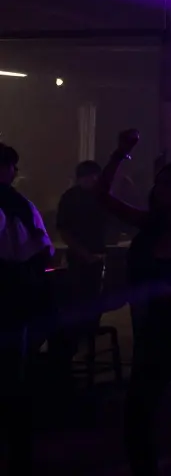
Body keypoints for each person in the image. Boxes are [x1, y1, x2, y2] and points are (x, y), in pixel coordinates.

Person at [98, 131, 171, 476]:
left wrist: (167, 292)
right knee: (139, 409)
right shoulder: (152, 223)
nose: (158, 189)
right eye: (159, 183)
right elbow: (103, 196)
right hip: (154, 329)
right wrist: (120, 154)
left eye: (167, 184)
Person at [0, 143, 54, 476]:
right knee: (12, 379)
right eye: (12, 166)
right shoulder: (20, 205)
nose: (16, 172)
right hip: (13, 297)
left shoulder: (19, 204)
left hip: (11, 296)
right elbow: (43, 251)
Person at [50, 160, 110, 382]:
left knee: (95, 301)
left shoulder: (102, 196)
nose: (93, 181)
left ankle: (86, 339)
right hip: (80, 260)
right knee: (79, 301)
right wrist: (85, 254)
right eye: (89, 177)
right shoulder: (71, 198)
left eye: (96, 176)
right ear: (80, 178)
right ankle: (75, 346)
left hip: (98, 257)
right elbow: (64, 230)